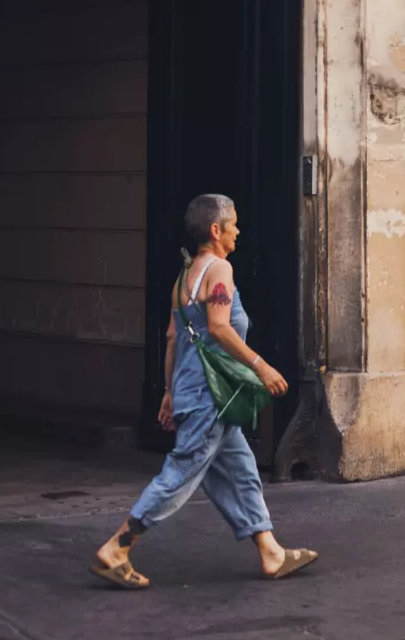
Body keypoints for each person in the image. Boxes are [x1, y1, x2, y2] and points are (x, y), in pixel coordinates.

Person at [90, 193, 318, 588]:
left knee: (242, 470)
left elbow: (173, 337)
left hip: (196, 394)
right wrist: (261, 367)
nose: (238, 231)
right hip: (210, 399)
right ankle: (117, 547)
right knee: (180, 473)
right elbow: (218, 326)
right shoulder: (220, 269)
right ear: (216, 230)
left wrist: (168, 393)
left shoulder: (183, 277)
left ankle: (271, 552)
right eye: (233, 224)